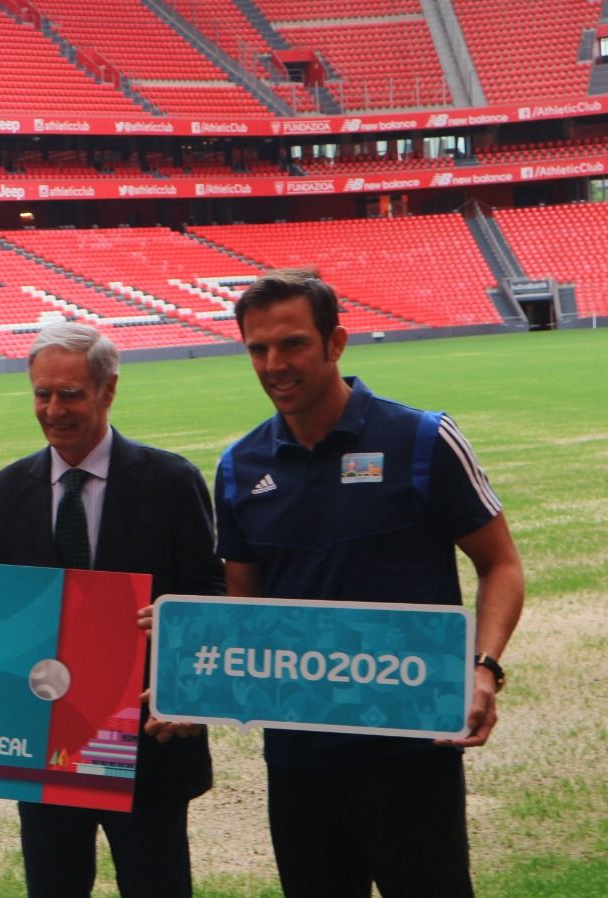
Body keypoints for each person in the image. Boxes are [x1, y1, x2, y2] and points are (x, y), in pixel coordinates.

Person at [216, 269, 524, 897]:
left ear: (336, 344)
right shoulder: (239, 467)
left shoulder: (421, 439)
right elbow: (241, 607)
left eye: (293, 344)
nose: (275, 364)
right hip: (299, 759)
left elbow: (501, 564)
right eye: (258, 348)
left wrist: (484, 669)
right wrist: (187, 660)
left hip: (411, 751)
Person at [0, 321, 223, 898]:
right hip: (44, 743)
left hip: (147, 746)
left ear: (108, 390)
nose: (54, 409)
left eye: (71, 394)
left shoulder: (170, 482)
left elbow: (212, 596)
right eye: (41, 393)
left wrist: (179, 633)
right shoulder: (3, 492)